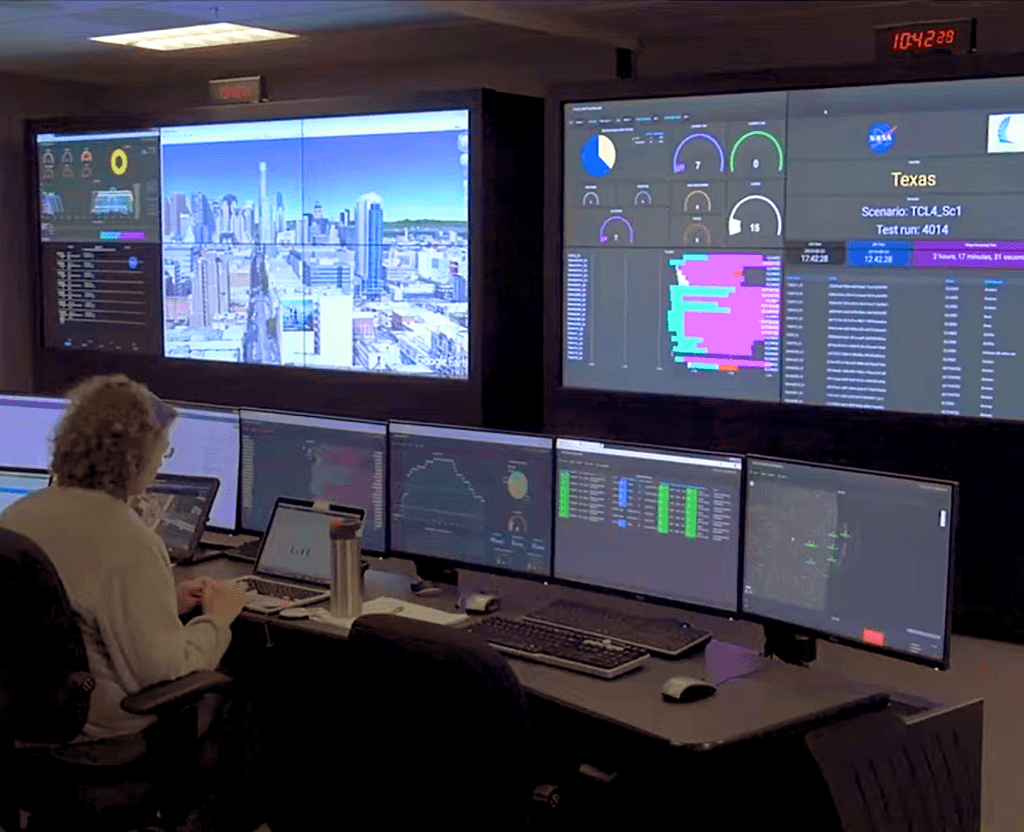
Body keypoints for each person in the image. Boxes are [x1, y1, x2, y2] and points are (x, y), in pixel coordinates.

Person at [0, 375, 265, 830]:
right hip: (99, 736)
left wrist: (168, 602)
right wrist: (216, 621)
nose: (162, 462)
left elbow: (62, 617)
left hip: (21, 729)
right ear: (138, 456)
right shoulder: (127, 540)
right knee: (247, 690)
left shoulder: (20, 515)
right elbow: (163, 673)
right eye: (163, 450)